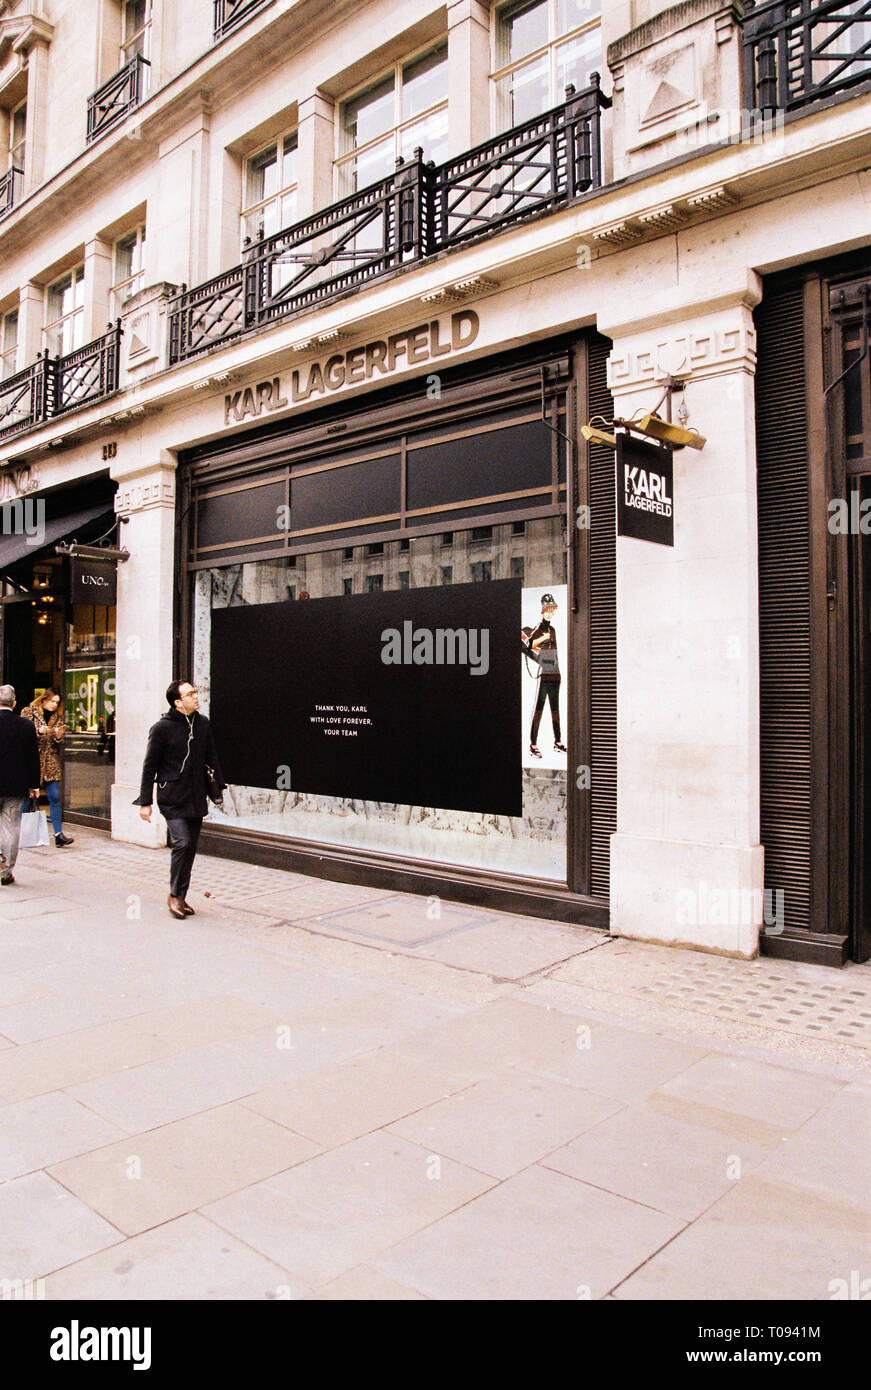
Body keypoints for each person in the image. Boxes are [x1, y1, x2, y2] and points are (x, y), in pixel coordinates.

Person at [134, 680, 225, 919]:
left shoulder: (202, 723)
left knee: (191, 848)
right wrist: (145, 801)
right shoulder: (161, 728)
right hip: (171, 796)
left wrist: (219, 787)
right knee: (182, 843)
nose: (196, 696)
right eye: (190, 694)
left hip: (195, 795)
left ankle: (181, 896)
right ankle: (174, 895)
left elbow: (211, 756)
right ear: (177, 702)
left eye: (196, 692)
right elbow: (149, 766)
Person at [21, 688, 74, 847]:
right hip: (32, 760)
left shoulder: (58, 717)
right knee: (27, 798)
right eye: (52, 701)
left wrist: (58, 737)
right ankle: (20, 832)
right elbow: (22, 734)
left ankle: (58, 835)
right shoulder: (28, 712)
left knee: (55, 797)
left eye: (56, 702)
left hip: (50, 761)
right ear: (44, 699)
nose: (54, 705)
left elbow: (58, 743)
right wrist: (38, 730)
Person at [0, 684, 41, 886]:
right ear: (14, 703)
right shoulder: (26, 726)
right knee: (11, 827)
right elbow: (33, 758)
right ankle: (6, 871)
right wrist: (34, 784)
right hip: (15, 787)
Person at [522, 593, 567, 758]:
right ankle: (533, 745)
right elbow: (529, 646)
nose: (550, 612)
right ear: (543, 610)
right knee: (539, 710)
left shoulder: (553, 629)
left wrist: (559, 672)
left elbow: (555, 654)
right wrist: (543, 638)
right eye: (547, 609)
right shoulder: (539, 628)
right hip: (544, 675)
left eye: (552, 609)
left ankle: (558, 741)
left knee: (555, 709)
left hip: (555, 673)